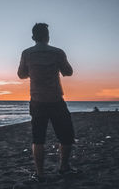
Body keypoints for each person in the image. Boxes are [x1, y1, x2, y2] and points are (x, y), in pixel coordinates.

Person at [17, 23, 79, 183]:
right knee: (66, 136)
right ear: (47, 36)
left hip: (37, 101)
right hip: (56, 100)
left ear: (33, 37)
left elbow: (21, 75)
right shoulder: (57, 53)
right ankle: (64, 167)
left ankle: (40, 174)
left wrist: (33, 72)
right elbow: (68, 72)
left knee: (38, 138)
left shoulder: (26, 53)